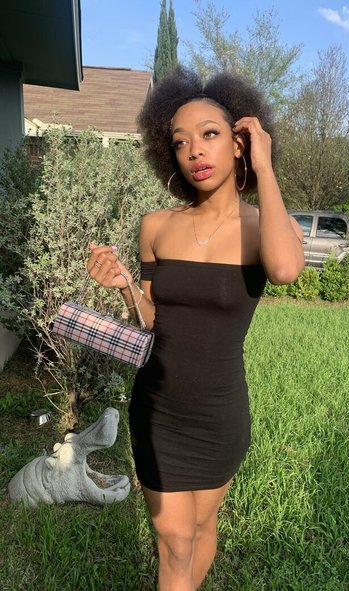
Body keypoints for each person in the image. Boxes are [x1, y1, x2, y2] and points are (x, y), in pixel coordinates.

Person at [87, 66, 304, 591]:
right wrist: (124, 285)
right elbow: (153, 319)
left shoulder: (265, 228)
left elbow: (284, 270)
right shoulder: (157, 226)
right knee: (174, 539)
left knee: (203, 527)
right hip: (158, 408)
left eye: (209, 134)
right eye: (180, 142)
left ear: (239, 143)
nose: (194, 151)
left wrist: (264, 167)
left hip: (219, 413)